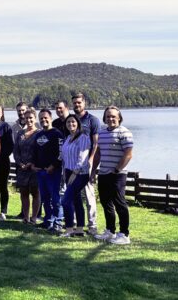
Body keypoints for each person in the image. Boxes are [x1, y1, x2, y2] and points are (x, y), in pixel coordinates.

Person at [93, 106, 134, 245]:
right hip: (103, 173)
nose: (110, 119)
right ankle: (110, 232)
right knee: (106, 203)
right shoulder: (101, 132)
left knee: (120, 203)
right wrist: (93, 171)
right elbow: (98, 154)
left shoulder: (125, 133)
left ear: (119, 118)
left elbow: (128, 154)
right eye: (108, 116)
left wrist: (117, 170)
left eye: (113, 116)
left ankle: (124, 234)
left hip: (118, 174)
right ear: (104, 118)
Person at [73, 93, 101, 235]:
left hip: (86, 164)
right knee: (74, 194)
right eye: (75, 103)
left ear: (84, 103)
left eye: (79, 102)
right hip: (73, 165)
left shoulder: (92, 120)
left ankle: (92, 225)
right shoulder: (71, 120)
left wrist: (91, 161)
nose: (77, 105)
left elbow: (96, 143)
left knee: (89, 196)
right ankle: (77, 223)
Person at [32, 109, 64, 232]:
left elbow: (61, 153)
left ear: (50, 118)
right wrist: (34, 165)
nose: (43, 120)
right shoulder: (38, 135)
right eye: (41, 118)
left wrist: (54, 166)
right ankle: (48, 221)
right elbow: (35, 151)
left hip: (53, 172)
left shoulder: (57, 134)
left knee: (55, 198)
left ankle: (58, 222)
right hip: (41, 172)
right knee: (45, 198)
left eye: (45, 117)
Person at [59, 115, 91, 238]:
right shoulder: (68, 138)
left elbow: (82, 157)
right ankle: (79, 229)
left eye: (73, 121)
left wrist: (75, 173)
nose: (70, 124)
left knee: (66, 200)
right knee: (77, 201)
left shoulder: (83, 138)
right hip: (68, 172)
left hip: (79, 174)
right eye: (68, 122)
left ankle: (68, 229)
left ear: (78, 123)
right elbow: (63, 156)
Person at [13, 109, 40, 224]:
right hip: (22, 169)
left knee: (35, 193)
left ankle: (34, 218)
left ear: (35, 119)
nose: (28, 120)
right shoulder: (20, 134)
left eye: (31, 118)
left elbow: (40, 151)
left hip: (34, 168)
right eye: (26, 118)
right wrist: (20, 164)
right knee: (24, 194)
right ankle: (26, 217)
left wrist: (32, 163)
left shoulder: (39, 133)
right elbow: (16, 152)